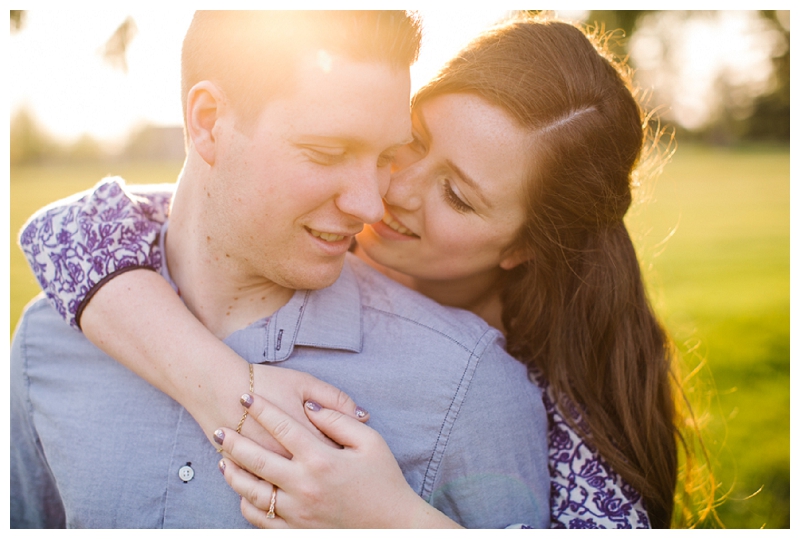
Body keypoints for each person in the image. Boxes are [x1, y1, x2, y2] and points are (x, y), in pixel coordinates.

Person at [11, 10, 553, 529]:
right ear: (208, 122)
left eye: (388, 155)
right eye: (326, 151)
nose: (371, 206)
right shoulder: (47, 344)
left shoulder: (470, 387)